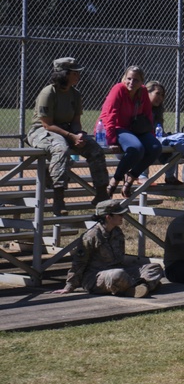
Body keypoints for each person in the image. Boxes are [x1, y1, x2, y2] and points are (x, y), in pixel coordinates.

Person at [26, 57, 110, 214]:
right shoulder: (48, 93)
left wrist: (78, 134)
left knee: (95, 149)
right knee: (60, 148)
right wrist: (72, 137)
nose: (78, 76)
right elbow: (47, 124)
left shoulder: (75, 94)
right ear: (64, 74)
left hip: (67, 131)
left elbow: (76, 121)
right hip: (42, 131)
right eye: (75, 73)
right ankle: (58, 200)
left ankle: (101, 193)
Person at [52, 200, 163, 298]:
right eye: (119, 214)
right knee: (118, 275)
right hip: (96, 277)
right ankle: (143, 285)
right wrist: (69, 286)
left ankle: (136, 287)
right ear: (108, 217)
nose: (122, 217)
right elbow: (79, 263)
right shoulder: (91, 236)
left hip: (120, 270)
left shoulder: (117, 232)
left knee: (154, 267)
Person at [99, 65, 163, 198]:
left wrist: (150, 136)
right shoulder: (118, 89)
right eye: (129, 78)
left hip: (135, 128)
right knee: (136, 148)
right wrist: (111, 140)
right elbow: (110, 116)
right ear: (124, 78)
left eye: (136, 80)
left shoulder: (143, 91)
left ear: (142, 82)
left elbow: (147, 115)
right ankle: (115, 180)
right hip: (116, 127)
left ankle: (131, 177)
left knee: (156, 147)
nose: (131, 82)